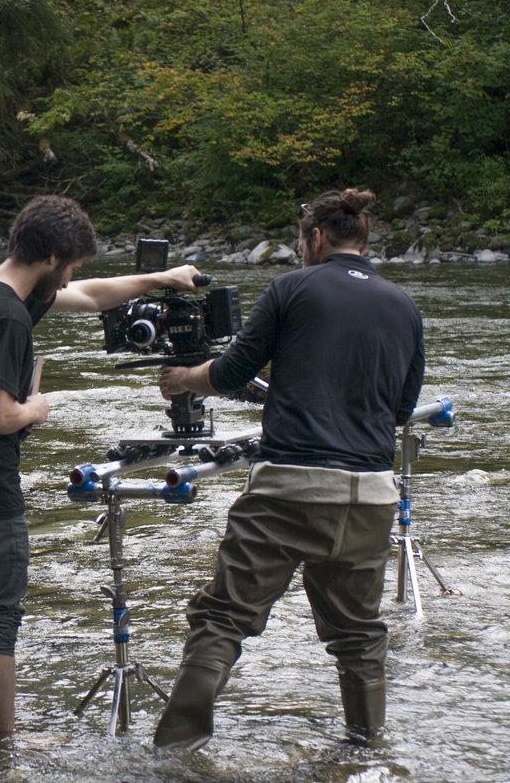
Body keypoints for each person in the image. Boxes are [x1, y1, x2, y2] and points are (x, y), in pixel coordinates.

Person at [0, 195, 202, 735]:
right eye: (69, 268)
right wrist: (35, 408)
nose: (68, 282)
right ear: (54, 254)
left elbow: (89, 297)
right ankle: (2, 750)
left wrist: (161, 279)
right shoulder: (9, 319)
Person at [153, 188, 424, 751]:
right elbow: (398, 412)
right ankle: (366, 748)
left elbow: (230, 374)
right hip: (372, 496)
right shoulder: (405, 307)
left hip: (289, 491)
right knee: (358, 635)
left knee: (223, 618)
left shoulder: (291, 288)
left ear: (315, 239)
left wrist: (182, 379)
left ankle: (175, 751)